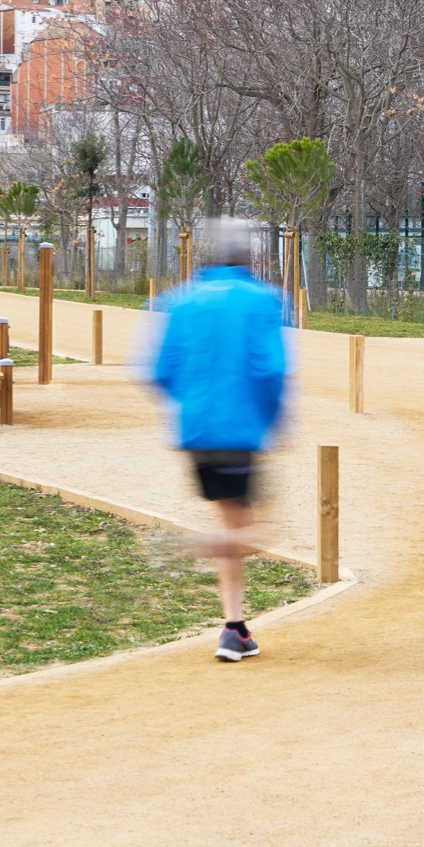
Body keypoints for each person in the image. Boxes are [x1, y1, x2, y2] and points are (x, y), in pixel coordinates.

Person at [151, 221, 287, 661]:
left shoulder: (183, 299)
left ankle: (234, 628)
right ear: (248, 256)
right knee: (263, 530)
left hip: (197, 431)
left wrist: (193, 403)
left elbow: (160, 370)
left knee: (234, 522)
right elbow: (271, 369)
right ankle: (190, 546)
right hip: (240, 430)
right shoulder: (262, 300)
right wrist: (274, 421)